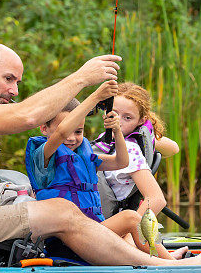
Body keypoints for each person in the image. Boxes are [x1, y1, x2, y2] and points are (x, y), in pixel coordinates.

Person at [0, 42, 201, 266]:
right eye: (8, 80)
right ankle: (166, 267)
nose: (14, 91)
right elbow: (28, 117)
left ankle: (134, 252)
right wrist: (84, 78)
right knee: (61, 209)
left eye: (17, 82)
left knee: (39, 201)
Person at [24, 83, 184, 260]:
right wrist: (95, 97)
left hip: (90, 233)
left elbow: (121, 161)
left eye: (78, 131)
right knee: (131, 218)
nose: (71, 138)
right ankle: (172, 264)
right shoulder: (43, 155)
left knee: (131, 217)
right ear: (44, 128)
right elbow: (61, 133)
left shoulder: (85, 158)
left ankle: (166, 260)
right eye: (68, 130)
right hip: (65, 241)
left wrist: (116, 129)